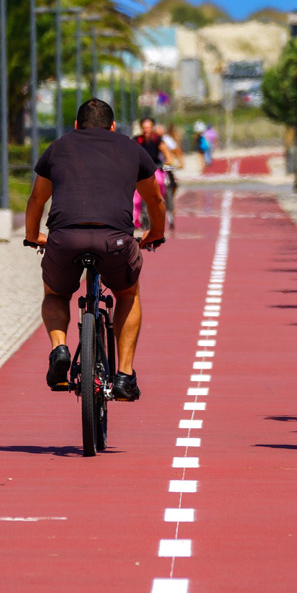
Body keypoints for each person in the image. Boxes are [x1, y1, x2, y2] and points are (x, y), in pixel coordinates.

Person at [25, 98, 166, 401]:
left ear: (76, 126)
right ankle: (125, 376)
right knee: (127, 292)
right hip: (114, 241)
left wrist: (32, 235)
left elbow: (37, 199)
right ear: (114, 127)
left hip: (65, 239)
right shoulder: (132, 149)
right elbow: (155, 201)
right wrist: (156, 234)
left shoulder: (59, 147)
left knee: (55, 294)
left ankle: (59, 348)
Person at [133, 117, 178, 228]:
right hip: (141, 170)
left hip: (155, 168)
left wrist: (166, 166)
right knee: (136, 195)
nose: (146, 130)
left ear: (152, 127)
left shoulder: (157, 140)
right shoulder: (137, 140)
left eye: (148, 127)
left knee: (159, 182)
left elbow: (168, 157)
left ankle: (158, 206)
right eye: (144, 127)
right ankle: (135, 220)